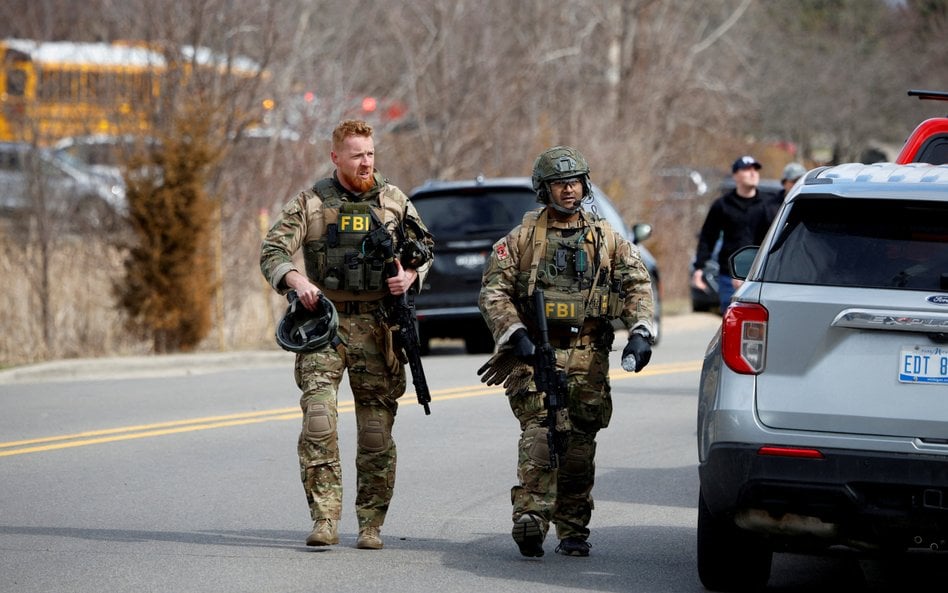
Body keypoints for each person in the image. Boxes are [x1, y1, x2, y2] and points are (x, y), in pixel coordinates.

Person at [260, 119, 433, 550]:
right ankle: (325, 518)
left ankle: (371, 524)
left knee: (375, 432)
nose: (365, 162)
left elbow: (426, 248)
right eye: (357, 155)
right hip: (325, 324)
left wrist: (411, 276)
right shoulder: (311, 202)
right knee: (319, 420)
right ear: (336, 157)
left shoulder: (394, 201)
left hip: (378, 326)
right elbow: (273, 250)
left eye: (370, 153)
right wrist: (298, 281)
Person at [477, 146, 655, 558]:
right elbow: (493, 291)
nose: (568, 190)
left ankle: (573, 529)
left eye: (574, 182)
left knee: (578, 446)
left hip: (588, 356)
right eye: (559, 184)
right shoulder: (521, 240)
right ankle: (531, 517)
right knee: (540, 434)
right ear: (544, 189)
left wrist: (641, 331)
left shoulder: (606, 239)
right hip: (536, 355)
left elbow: (637, 285)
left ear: (585, 185)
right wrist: (514, 333)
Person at [692, 155, 769, 313]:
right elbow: (708, 237)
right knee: (732, 318)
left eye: (755, 169)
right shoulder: (722, 205)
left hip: (762, 275)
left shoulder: (769, 205)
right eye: (747, 169)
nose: (753, 173)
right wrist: (699, 268)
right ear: (735, 175)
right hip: (729, 276)